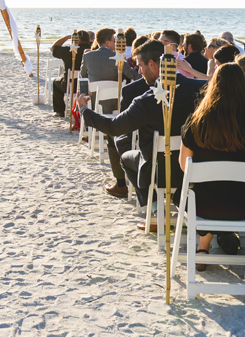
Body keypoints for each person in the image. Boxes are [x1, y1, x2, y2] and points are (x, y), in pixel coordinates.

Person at [79, 40, 203, 209]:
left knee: (125, 158)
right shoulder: (202, 89)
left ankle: (151, 207)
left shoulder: (146, 100)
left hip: (157, 173)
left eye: (140, 66)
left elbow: (114, 127)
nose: (139, 71)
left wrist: (84, 110)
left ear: (152, 64)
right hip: (195, 170)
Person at [179, 62, 245, 262]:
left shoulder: (197, 122)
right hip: (244, 207)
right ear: (244, 88)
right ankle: (206, 245)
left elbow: (185, 166)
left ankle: (203, 247)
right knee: (225, 190)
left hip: (203, 206)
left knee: (204, 188)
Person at [50, 32, 92, 116]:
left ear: (78, 39)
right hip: (87, 87)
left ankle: (59, 111)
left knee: (56, 82)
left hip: (69, 86)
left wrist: (66, 37)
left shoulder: (69, 50)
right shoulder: (91, 50)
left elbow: (53, 48)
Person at [82, 28, 119, 112]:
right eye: (114, 41)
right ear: (107, 43)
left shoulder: (87, 56)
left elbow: (83, 77)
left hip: (93, 101)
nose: (116, 43)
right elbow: (131, 75)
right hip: (113, 102)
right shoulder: (117, 57)